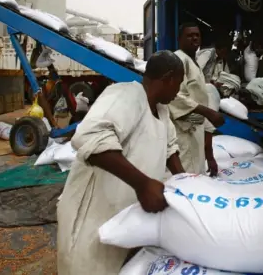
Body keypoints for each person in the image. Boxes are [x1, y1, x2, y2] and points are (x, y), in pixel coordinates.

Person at [57, 51, 187, 274]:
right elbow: (89, 137)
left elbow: (170, 150)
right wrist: (142, 184)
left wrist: (188, 187)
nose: (178, 92)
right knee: (88, 265)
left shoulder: (162, 112)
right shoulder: (126, 95)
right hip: (94, 214)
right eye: (178, 84)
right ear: (168, 78)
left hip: (125, 216)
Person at [169, 22, 225, 175]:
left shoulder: (195, 64)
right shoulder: (178, 60)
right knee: (184, 174)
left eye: (197, 35)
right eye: (189, 35)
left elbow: (200, 98)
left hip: (196, 131)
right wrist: (207, 112)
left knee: (195, 173)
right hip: (183, 129)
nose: (194, 38)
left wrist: (210, 156)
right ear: (180, 39)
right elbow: (175, 95)